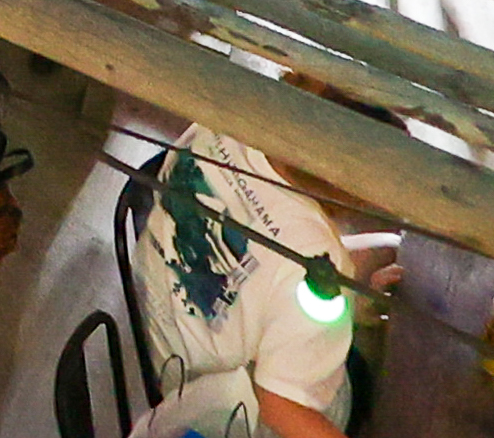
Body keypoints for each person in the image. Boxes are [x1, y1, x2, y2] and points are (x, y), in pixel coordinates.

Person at [123, 125, 388, 438]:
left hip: (159, 324)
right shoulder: (313, 257)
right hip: (220, 402)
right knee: (383, 370)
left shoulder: (231, 116)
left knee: (386, 249)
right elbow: (280, 407)